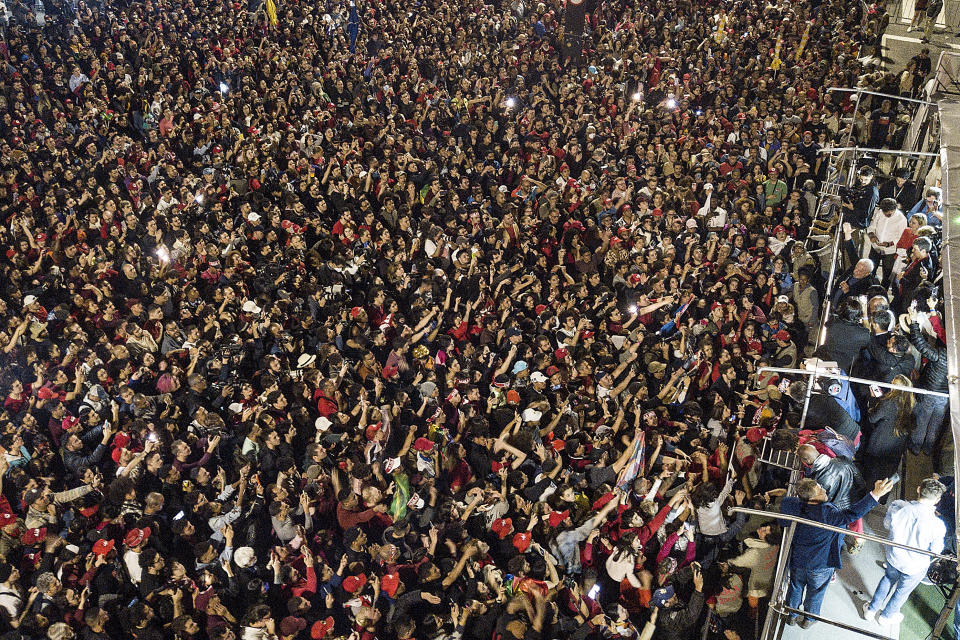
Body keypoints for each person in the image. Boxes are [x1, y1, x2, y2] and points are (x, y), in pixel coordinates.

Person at [779, 478, 895, 628]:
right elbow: (852, 514)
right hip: (821, 564)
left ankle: (791, 615)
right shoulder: (828, 514)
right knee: (816, 592)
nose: (824, 490)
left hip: (798, 560)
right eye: (821, 490)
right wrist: (875, 494)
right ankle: (809, 619)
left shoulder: (791, 505)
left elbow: (783, 520)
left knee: (795, 587)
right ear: (812, 498)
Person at [862, 477, 946, 626]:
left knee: (887, 579)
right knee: (902, 592)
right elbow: (936, 550)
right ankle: (886, 617)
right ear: (937, 500)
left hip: (894, 557)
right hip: (915, 567)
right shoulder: (938, 526)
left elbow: (887, 525)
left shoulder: (897, 506)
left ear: (919, 489)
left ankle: (871, 610)